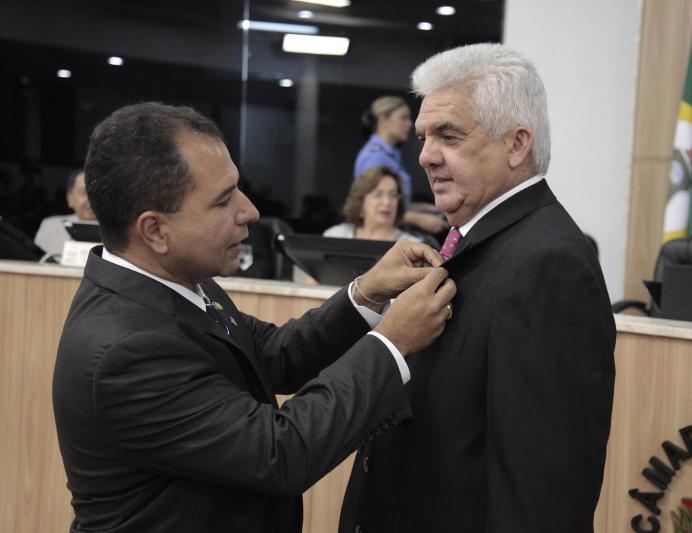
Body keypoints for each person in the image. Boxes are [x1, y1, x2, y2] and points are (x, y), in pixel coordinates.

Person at [52, 102, 457, 533]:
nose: (249, 211)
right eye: (223, 200)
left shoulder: (182, 282)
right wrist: (393, 342)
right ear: (154, 230)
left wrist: (368, 291)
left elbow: (275, 354)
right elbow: (280, 451)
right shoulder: (126, 349)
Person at [339, 43, 616, 533]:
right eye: (423, 137)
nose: (426, 156)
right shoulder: (476, 241)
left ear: (517, 144)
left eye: (449, 135)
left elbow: (541, 495)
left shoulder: (549, 265)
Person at [355, 95, 449, 235]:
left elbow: (399, 205)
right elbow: (377, 208)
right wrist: (420, 220)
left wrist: (430, 209)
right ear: (384, 120)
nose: (410, 123)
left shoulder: (390, 155)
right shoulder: (375, 157)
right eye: (403, 118)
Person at [325, 167, 422, 242]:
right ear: (360, 201)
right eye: (377, 194)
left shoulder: (412, 245)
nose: (386, 202)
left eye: (393, 195)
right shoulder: (334, 236)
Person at [34, 169, 97, 255]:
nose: (91, 199)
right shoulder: (51, 227)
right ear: (70, 199)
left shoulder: (114, 231)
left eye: (96, 193)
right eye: (83, 193)